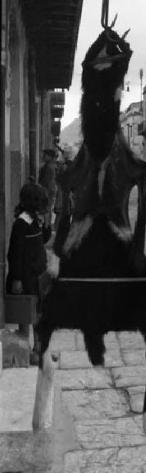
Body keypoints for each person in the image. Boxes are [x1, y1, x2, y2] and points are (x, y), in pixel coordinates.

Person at [6, 183, 52, 364]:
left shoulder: (34, 222)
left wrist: (46, 225)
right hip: (24, 278)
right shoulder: (21, 223)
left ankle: (38, 349)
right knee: (24, 315)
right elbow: (14, 254)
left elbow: (44, 240)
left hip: (37, 277)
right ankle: (23, 351)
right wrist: (16, 278)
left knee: (38, 315)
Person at [38, 148, 57, 227]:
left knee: (46, 210)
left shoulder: (49, 167)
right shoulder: (50, 166)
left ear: (50, 156)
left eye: (45, 155)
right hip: (48, 191)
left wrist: (42, 191)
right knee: (47, 210)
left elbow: (46, 181)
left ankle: (46, 228)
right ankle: (47, 227)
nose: (43, 156)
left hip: (47, 192)